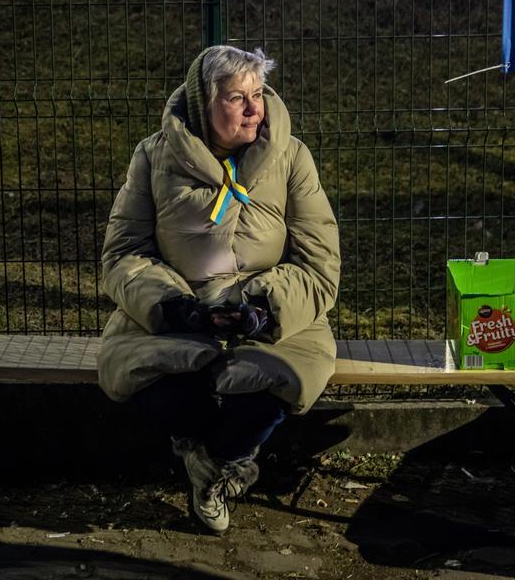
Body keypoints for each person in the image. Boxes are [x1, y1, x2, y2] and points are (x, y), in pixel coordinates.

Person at [97, 45, 341, 533]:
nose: (254, 108)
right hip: (173, 312)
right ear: (202, 105)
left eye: (258, 94)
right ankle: (219, 466)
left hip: (271, 316)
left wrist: (263, 309)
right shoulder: (153, 157)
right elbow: (121, 255)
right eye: (236, 98)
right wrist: (173, 307)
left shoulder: (291, 157)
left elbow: (319, 266)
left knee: (270, 386)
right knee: (156, 383)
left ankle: (217, 469)